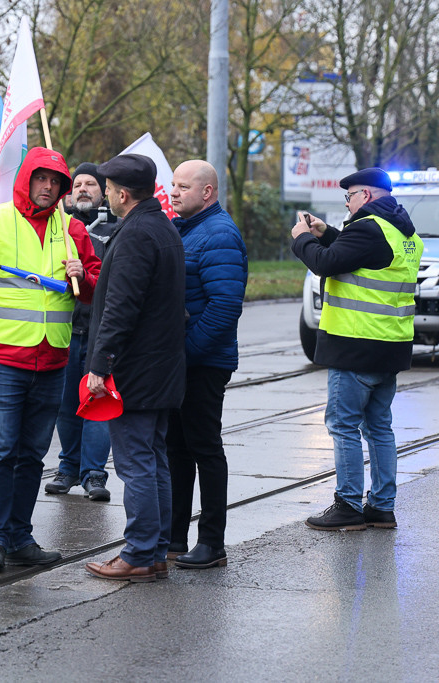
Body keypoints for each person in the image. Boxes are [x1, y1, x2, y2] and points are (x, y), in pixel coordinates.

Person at [0, 147, 100, 571]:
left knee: (33, 455)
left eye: (56, 182)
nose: (48, 187)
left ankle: (19, 536)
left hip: (52, 359)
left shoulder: (72, 229)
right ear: (26, 180)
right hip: (1, 360)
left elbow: (95, 289)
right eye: (41, 179)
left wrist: (84, 276)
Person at [291, 167, 421, 531]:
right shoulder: (403, 231)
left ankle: (347, 504)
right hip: (389, 346)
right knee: (379, 427)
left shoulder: (366, 228)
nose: (347, 204)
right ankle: (381, 506)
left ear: (364, 196)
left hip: (355, 347)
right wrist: (327, 232)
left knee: (343, 424)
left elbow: (324, 263)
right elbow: (363, 259)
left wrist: (302, 238)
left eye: (349, 197)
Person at [84, 154, 186, 583]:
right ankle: (155, 548)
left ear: (122, 194)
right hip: (160, 366)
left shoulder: (135, 235)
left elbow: (119, 309)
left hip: (135, 370)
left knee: (136, 463)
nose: (105, 194)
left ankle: (141, 551)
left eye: (107, 188)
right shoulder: (160, 226)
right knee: (153, 459)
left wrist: (100, 366)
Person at [164, 159, 247, 569]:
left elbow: (225, 305)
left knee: (204, 447)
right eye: (173, 185)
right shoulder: (188, 229)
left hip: (203, 362)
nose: (174, 192)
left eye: (182, 186)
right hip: (185, 360)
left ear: (207, 192)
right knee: (177, 448)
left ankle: (212, 542)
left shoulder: (218, 234)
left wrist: (186, 353)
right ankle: (175, 536)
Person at [45, 162, 115, 501]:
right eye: (77, 184)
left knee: (97, 401)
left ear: (104, 191)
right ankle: (68, 468)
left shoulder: (117, 230)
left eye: (91, 183)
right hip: (66, 329)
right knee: (65, 404)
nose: (83, 188)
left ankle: (94, 474)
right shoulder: (58, 227)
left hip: (102, 331)